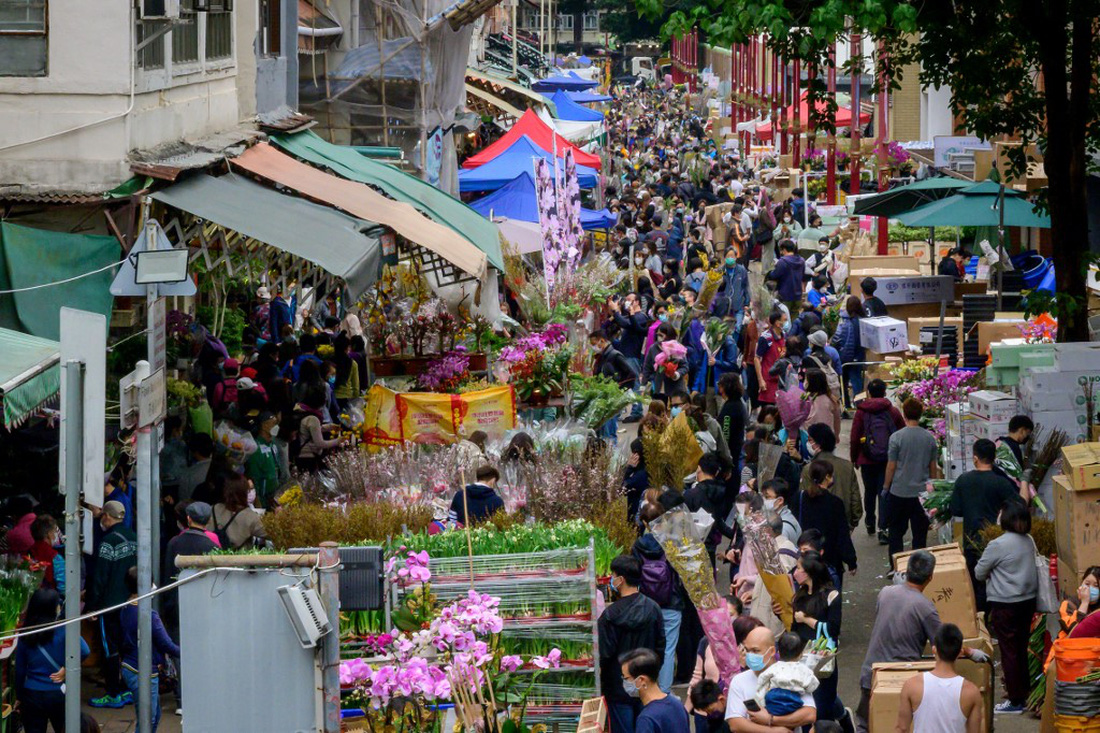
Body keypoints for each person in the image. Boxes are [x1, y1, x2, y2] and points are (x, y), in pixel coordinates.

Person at [857, 550, 989, 733]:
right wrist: (970, 652)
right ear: (930, 577)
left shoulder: (885, 593)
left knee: (866, 725)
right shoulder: (925, 607)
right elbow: (944, 643)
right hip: (899, 677)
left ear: (907, 571)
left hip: (871, 674)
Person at [974, 499, 1038, 714]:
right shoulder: (1028, 540)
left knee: (1009, 652)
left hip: (1005, 604)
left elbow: (979, 572)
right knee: (1021, 648)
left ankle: (1015, 700)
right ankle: (1024, 690)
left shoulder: (998, 545)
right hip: (1028, 602)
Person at [950, 439, 1021, 611]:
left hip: (972, 539)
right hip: (996, 540)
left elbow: (955, 510)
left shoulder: (963, 481)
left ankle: (981, 619)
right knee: (996, 581)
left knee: (976, 582)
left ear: (975, 458)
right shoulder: (1001, 483)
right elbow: (1019, 505)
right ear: (994, 457)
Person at [600, 556, 666, 733]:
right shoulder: (653, 609)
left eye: (613, 575)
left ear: (620, 580)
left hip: (617, 687)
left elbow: (604, 655)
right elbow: (661, 647)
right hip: (646, 684)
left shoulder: (609, 616)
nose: (611, 579)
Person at [16, 588, 90, 732]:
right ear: (53, 609)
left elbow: (20, 669)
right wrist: (66, 667)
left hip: (32, 693)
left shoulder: (26, 632)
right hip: (58, 693)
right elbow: (85, 651)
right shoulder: (64, 629)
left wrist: (20, 696)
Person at [87, 500, 136, 709]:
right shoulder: (133, 537)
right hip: (130, 602)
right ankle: (127, 690)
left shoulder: (108, 542)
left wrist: (92, 605)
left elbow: (101, 577)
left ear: (107, 516)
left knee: (110, 650)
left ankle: (113, 693)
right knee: (128, 647)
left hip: (110, 605)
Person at [633, 504, 685, 693]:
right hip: (671, 601)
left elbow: (636, 572)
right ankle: (663, 691)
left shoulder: (638, 545)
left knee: (648, 647)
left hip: (647, 604)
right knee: (669, 648)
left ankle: (647, 689)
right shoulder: (673, 542)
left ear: (645, 522)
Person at [725, 626, 817, 732]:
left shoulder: (793, 674)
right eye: (747, 650)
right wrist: (773, 731)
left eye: (755, 651)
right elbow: (735, 724)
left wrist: (771, 719)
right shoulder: (739, 681)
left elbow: (809, 715)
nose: (750, 655)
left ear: (772, 651)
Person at [120, 569, 179, 732]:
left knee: (153, 716)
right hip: (142, 671)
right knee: (148, 720)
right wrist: (189, 652)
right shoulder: (149, 615)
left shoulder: (125, 607)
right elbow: (167, 644)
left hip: (130, 667)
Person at [895, 623, 983, 733]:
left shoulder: (912, 685)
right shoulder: (972, 692)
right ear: (960, 653)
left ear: (934, 650)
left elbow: (902, 728)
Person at [850, 379, 904, 544]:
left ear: (868, 392)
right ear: (884, 391)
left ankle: (869, 522)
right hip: (887, 459)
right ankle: (883, 528)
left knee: (869, 491)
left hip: (867, 458)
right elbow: (901, 432)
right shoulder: (892, 411)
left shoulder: (861, 412)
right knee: (884, 491)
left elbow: (854, 436)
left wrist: (854, 458)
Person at [884, 399, 939, 557]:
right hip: (921, 493)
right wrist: (932, 489)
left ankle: (895, 566)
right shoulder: (929, 438)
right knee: (920, 535)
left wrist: (886, 486)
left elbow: (891, 465)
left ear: (904, 414)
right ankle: (919, 567)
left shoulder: (896, 437)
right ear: (921, 414)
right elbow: (932, 467)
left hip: (899, 491)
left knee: (895, 532)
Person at [798, 461, 858, 588]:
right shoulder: (835, 503)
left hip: (805, 559)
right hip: (830, 560)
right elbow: (842, 535)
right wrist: (851, 561)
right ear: (827, 477)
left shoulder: (801, 498)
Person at [802, 424, 862, 532]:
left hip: (817, 526)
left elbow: (804, 500)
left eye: (810, 440)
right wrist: (852, 523)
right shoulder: (847, 466)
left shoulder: (808, 469)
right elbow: (855, 500)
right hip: (843, 523)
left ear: (817, 443)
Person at [620, 648, 690, 733]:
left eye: (626, 678)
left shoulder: (647, 719)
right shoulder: (677, 704)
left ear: (641, 680)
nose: (624, 682)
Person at [754, 632, 819, 717]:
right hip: (794, 705)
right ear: (801, 655)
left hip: (773, 705)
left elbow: (762, 681)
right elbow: (813, 685)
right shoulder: (804, 670)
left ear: (779, 652)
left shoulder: (773, 668)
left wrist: (760, 703)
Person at [209, 474, 267, 549]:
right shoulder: (249, 516)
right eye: (248, 490)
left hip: (212, 557)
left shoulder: (212, 509)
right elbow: (270, 533)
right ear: (243, 492)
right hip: (239, 559)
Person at [246, 410, 289, 508]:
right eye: (274, 424)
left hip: (275, 495)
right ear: (264, 426)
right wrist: (257, 500)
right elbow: (254, 476)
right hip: (263, 498)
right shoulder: (256, 449)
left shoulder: (273, 444)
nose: (277, 427)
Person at [831, 296, 865, 401]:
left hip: (844, 356)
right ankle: (859, 404)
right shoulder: (863, 321)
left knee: (843, 381)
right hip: (858, 356)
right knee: (857, 382)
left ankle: (845, 404)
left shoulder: (844, 322)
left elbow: (837, 338)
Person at [756, 309, 788, 406]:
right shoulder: (766, 338)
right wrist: (760, 380)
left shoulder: (784, 336)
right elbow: (756, 358)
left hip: (782, 380)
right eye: (785, 320)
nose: (787, 322)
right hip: (768, 381)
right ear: (778, 323)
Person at [767, 241, 807, 318]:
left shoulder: (783, 261)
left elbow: (774, 275)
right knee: (794, 317)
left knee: (783, 318)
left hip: (785, 295)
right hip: (798, 294)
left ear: (784, 250)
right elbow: (803, 275)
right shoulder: (801, 260)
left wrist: (771, 272)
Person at [718, 373, 748, 469]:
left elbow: (725, 433)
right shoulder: (738, 403)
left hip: (731, 454)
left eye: (721, 386)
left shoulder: (731, 408)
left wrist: (724, 455)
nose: (719, 390)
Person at [761, 479, 802, 545]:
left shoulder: (783, 528)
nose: (762, 500)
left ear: (780, 500)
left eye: (767, 497)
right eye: (762, 496)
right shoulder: (780, 516)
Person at [805, 370, 841, 436]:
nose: (805, 382)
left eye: (806, 380)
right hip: (827, 436)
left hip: (809, 436)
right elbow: (837, 419)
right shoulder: (831, 399)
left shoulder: (805, 398)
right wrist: (836, 434)